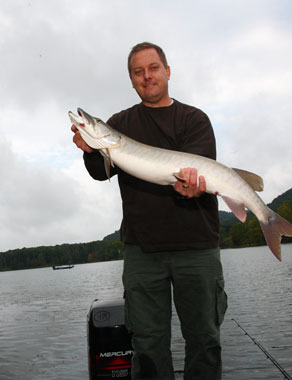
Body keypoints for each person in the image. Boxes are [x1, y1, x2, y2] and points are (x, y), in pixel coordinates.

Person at [72, 42, 227, 380]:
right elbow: (101, 171)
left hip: (196, 247)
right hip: (142, 251)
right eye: (138, 72)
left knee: (204, 341)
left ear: (167, 71)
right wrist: (89, 148)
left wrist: (191, 187)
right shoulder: (118, 124)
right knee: (147, 345)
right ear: (131, 80)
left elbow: (196, 174)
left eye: (153, 68)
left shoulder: (194, 119)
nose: (147, 76)